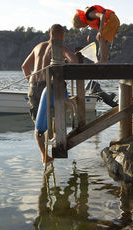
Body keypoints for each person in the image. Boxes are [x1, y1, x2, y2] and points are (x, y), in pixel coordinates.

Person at [21, 24, 78, 164]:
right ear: (62, 35)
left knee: (38, 126)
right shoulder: (59, 47)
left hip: (34, 86)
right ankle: (58, 138)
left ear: (49, 34)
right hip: (48, 87)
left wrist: (31, 82)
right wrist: (68, 60)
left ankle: (44, 156)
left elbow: (24, 66)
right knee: (56, 112)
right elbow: (75, 62)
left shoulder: (38, 46)